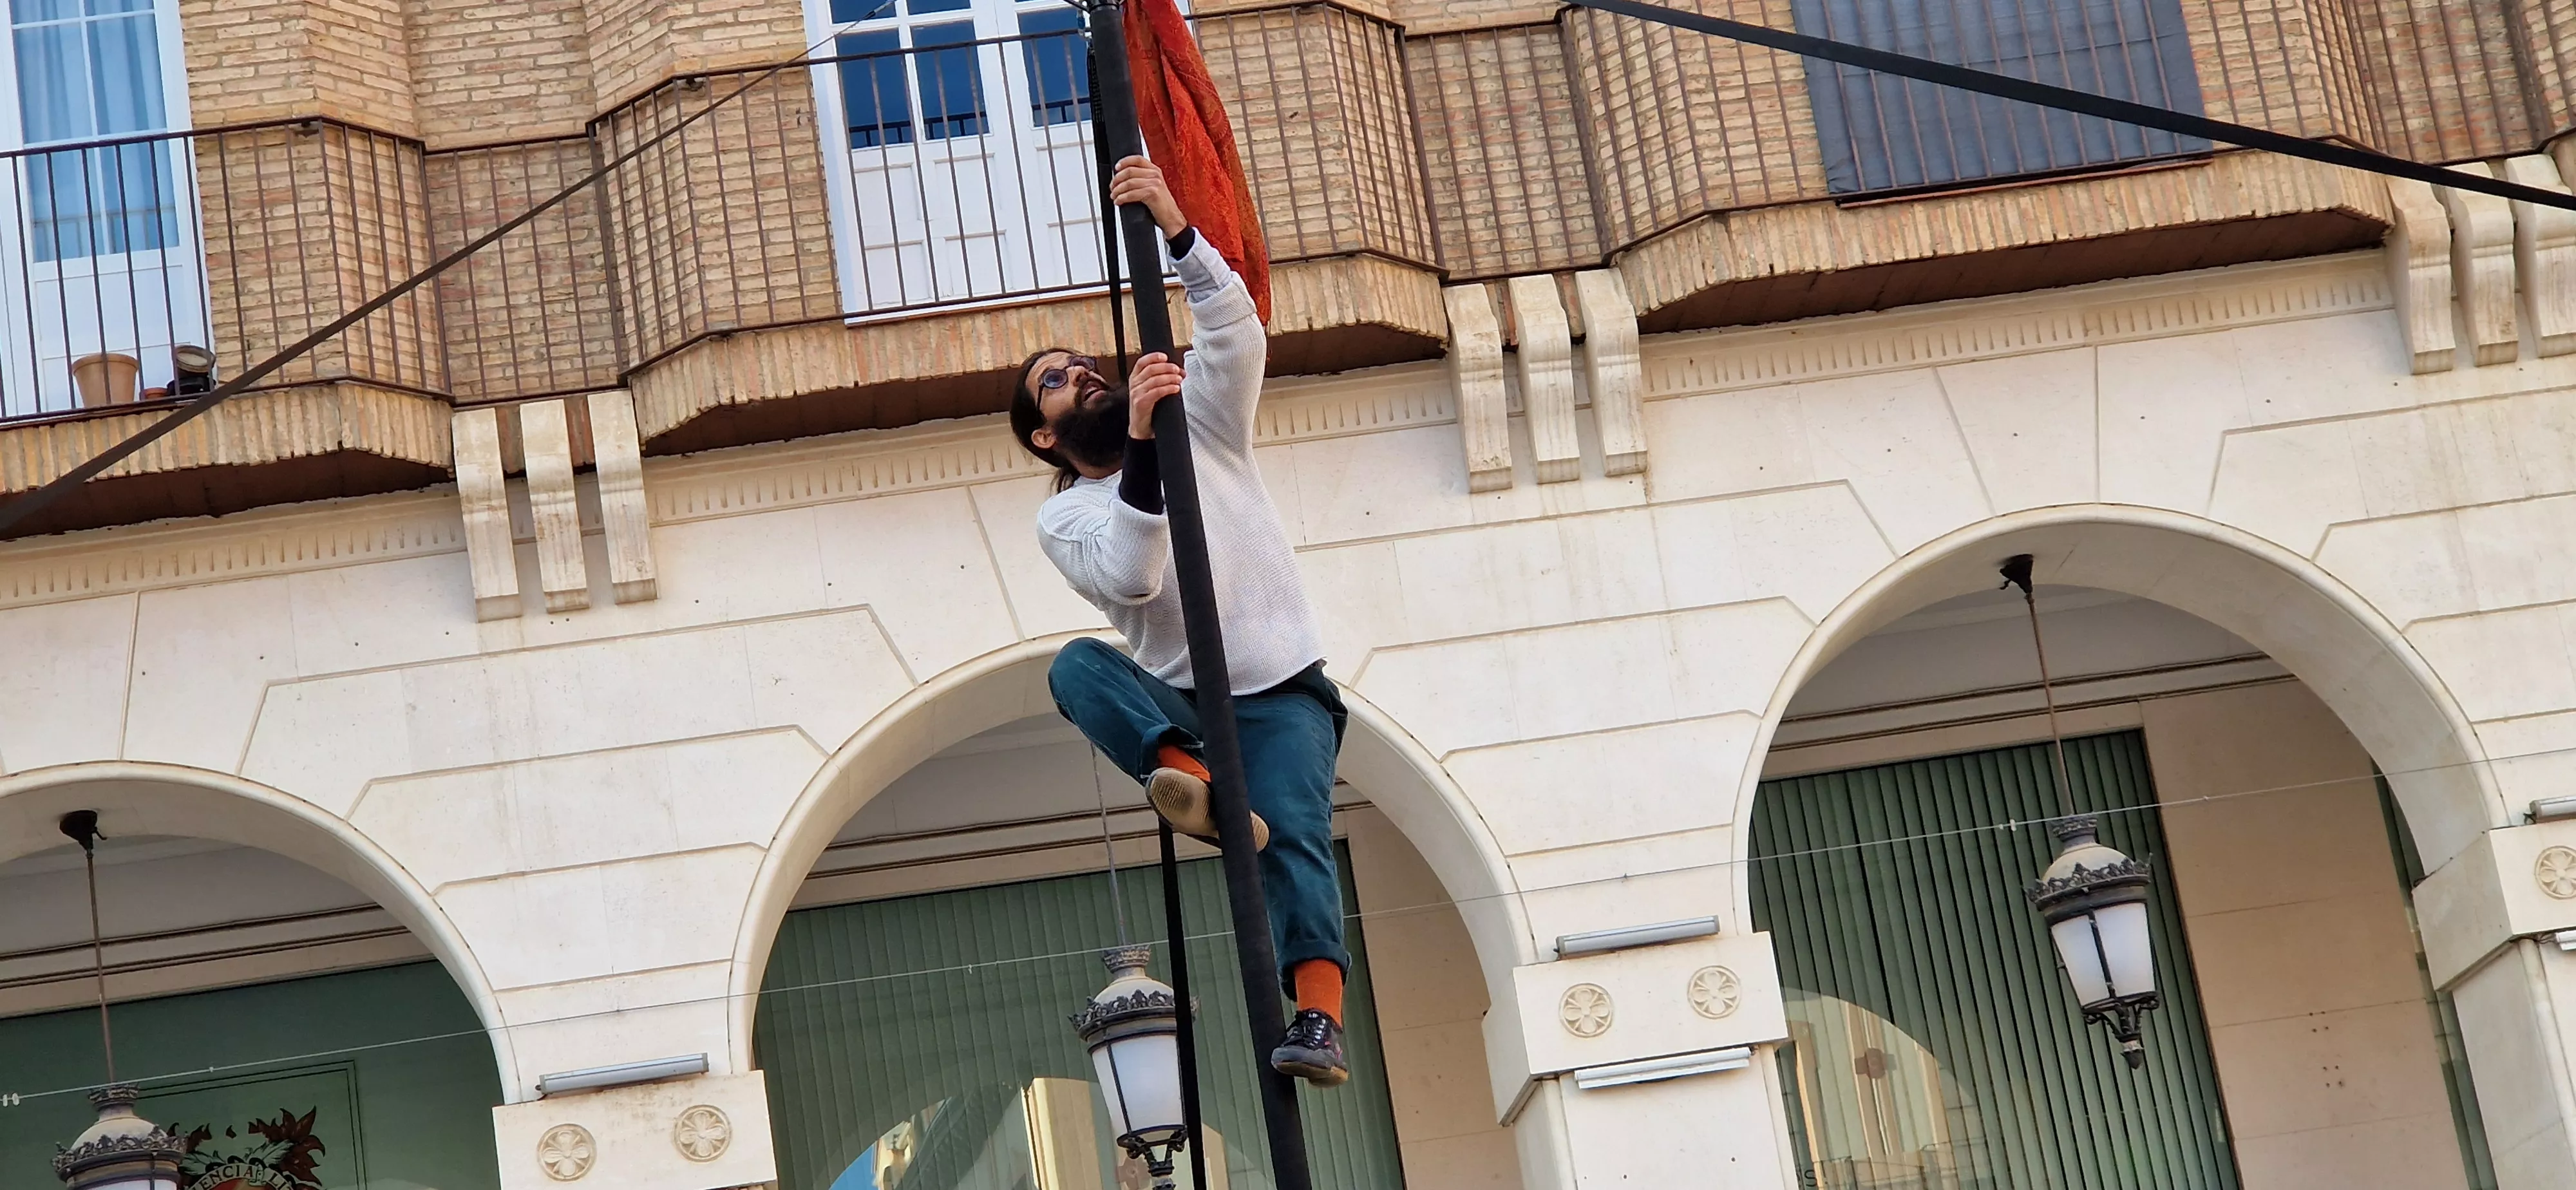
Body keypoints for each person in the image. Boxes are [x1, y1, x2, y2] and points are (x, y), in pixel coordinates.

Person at [1011, 156, 1350, 1087]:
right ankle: (1186, 778)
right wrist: (1138, 446)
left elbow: (1236, 334)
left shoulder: (1199, 423)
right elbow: (1133, 570)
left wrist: (1176, 225)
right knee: (1078, 666)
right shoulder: (1066, 514)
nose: (1080, 373)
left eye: (1082, 364)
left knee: (1294, 836)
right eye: (1055, 382)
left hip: (1281, 693)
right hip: (1184, 702)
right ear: (1044, 437)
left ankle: (1318, 1020)